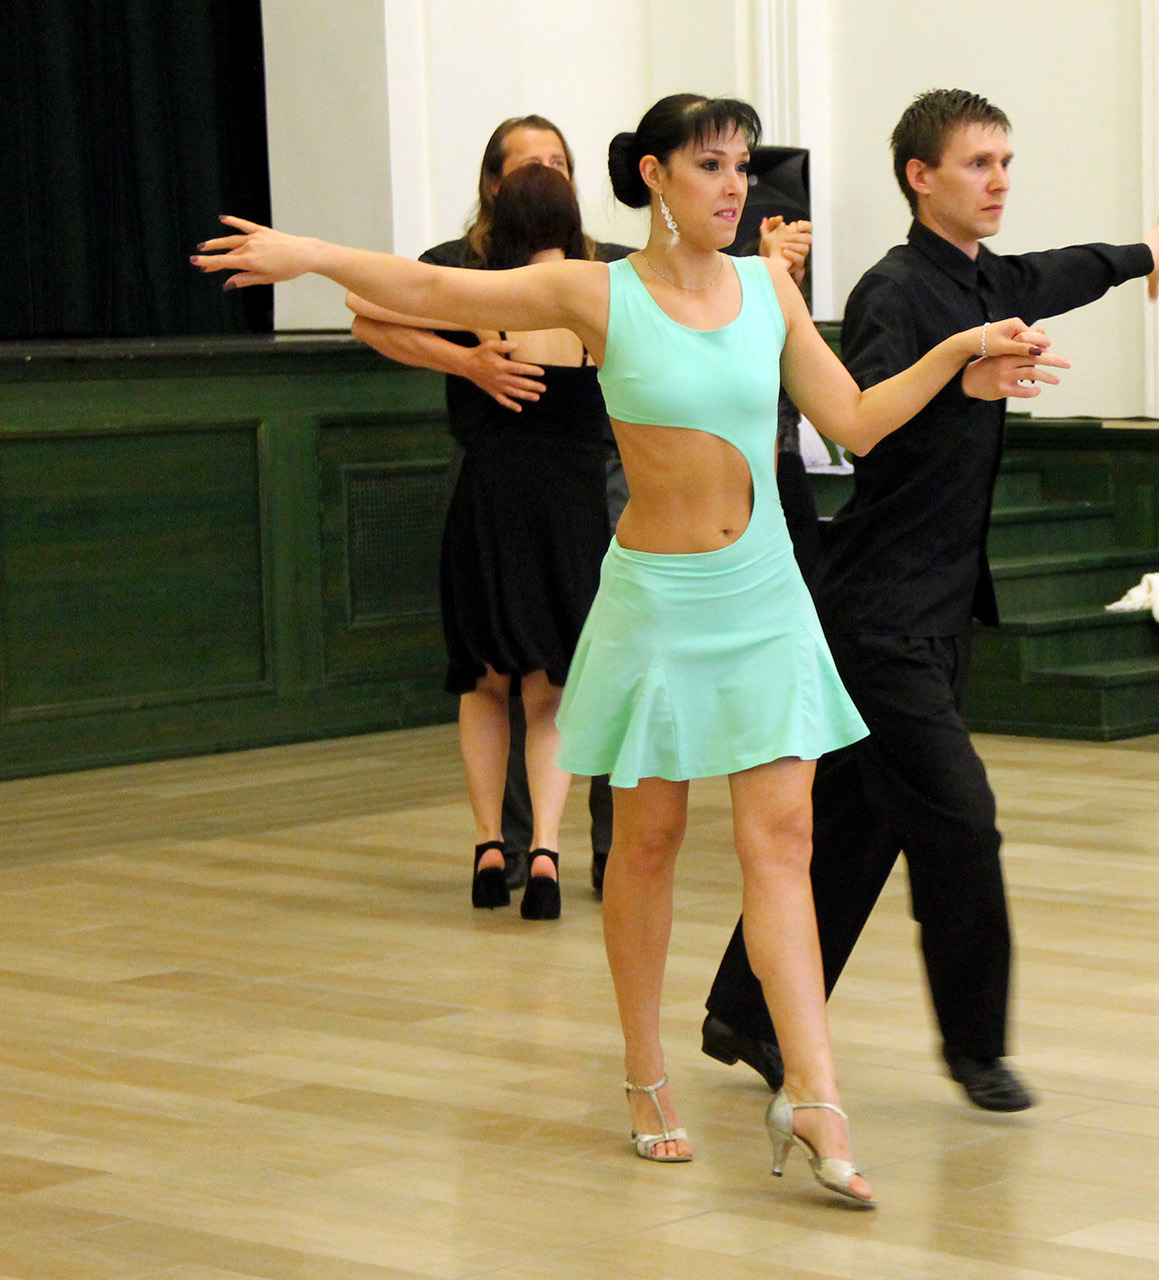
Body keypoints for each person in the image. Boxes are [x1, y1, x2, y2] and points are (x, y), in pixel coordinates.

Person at [193, 91, 1057, 1207]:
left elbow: (852, 418)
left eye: (743, 165)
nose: (735, 186)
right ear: (654, 176)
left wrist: (962, 352)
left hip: (765, 599)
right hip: (658, 605)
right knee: (647, 845)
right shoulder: (596, 291)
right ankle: (647, 1076)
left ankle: (816, 1093)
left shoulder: (768, 290)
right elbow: (439, 292)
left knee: (783, 843)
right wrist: (311, 254)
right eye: (711, 165)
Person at [701, 88, 1159, 1112]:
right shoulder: (895, 292)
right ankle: (978, 1049)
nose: (1000, 181)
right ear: (919, 176)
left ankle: (744, 1013)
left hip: (936, 611)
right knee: (961, 820)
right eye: (979, 163)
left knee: (858, 822)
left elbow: (1064, 271)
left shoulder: (990, 279)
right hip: (879, 614)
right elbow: (860, 426)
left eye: (1006, 162)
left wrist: (1144, 255)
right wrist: (961, 385)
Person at [350, 114, 630, 898]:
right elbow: (370, 312)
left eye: (557, 161)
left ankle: (499, 849)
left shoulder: (510, 288)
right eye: (536, 163)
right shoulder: (519, 278)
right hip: (563, 501)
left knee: (489, 681)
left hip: (513, 494)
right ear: (493, 183)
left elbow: (360, 306)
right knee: (551, 687)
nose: (549, 171)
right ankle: (539, 850)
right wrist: (467, 363)